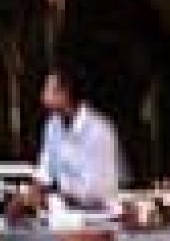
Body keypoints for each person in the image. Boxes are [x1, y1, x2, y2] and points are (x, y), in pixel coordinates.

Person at [34, 68, 123, 214]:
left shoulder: (98, 129)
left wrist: (52, 197)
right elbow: (45, 170)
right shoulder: (52, 125)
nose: (43, 97)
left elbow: (96, 191)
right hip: (64, 212)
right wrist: (29, 196)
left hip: (98, 216)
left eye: (48, 90)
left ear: (65, 93)